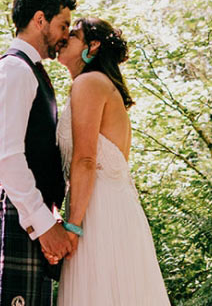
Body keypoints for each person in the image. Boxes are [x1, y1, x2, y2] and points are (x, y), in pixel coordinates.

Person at [0, 0, 79, 306]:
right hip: (9, 209)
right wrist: (42, 224)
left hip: (20, 213)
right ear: (40, 20)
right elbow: (6, 156)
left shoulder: (30, 71)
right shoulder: (13, 70)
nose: (65, 35)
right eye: (62, 25)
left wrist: (46, 219)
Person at [54, 17, 171, 305]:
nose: (63, 38)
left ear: (92, 46)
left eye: (72, 35)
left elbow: (85, 159)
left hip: (98, 211)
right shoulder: (98, 84)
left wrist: (73, 227)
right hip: (108, 204)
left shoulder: (90, 82)